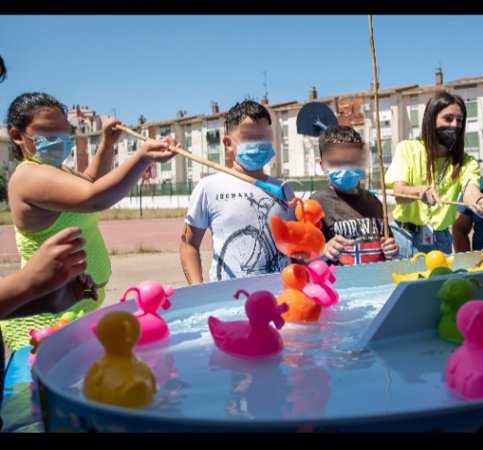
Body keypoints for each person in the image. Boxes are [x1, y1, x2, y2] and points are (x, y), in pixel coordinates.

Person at [1, 92, 175, 351]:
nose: (59, 141)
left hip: (69, 308)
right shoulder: (29, 176)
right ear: (17, 136)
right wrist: (143, 158)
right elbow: (93, 197)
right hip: (43, 320)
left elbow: (91, 182)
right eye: (48, 133)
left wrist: (107, 142)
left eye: (64, 133)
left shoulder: (58, 171)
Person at [180, 100, 295, 283]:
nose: (259, 144)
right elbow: (189, 244)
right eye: (250, 138)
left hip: (281, 298)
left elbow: (295, 248)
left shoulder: (284, 190)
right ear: (228, 143)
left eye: (264, 137)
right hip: (229, 302)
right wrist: (197, 290)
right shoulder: (209, 187)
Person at [385, 90, 483, 258]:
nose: (454, 125)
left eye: (459, 120)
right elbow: (399, 193)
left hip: (440, 239)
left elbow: (470, 191)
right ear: (431, 119)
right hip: (403, 237)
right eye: (448, 118)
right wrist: (419, 191)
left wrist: (480, 201)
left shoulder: (466, 162)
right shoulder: (407, 149)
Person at [310, 126, 398, 265]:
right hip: (339, 285)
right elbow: (303, 257)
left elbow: (388, 243)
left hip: (375, 282)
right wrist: (323, 250)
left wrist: (391, 248)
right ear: (323, 165)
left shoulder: (374, 202)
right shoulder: (316, 204)